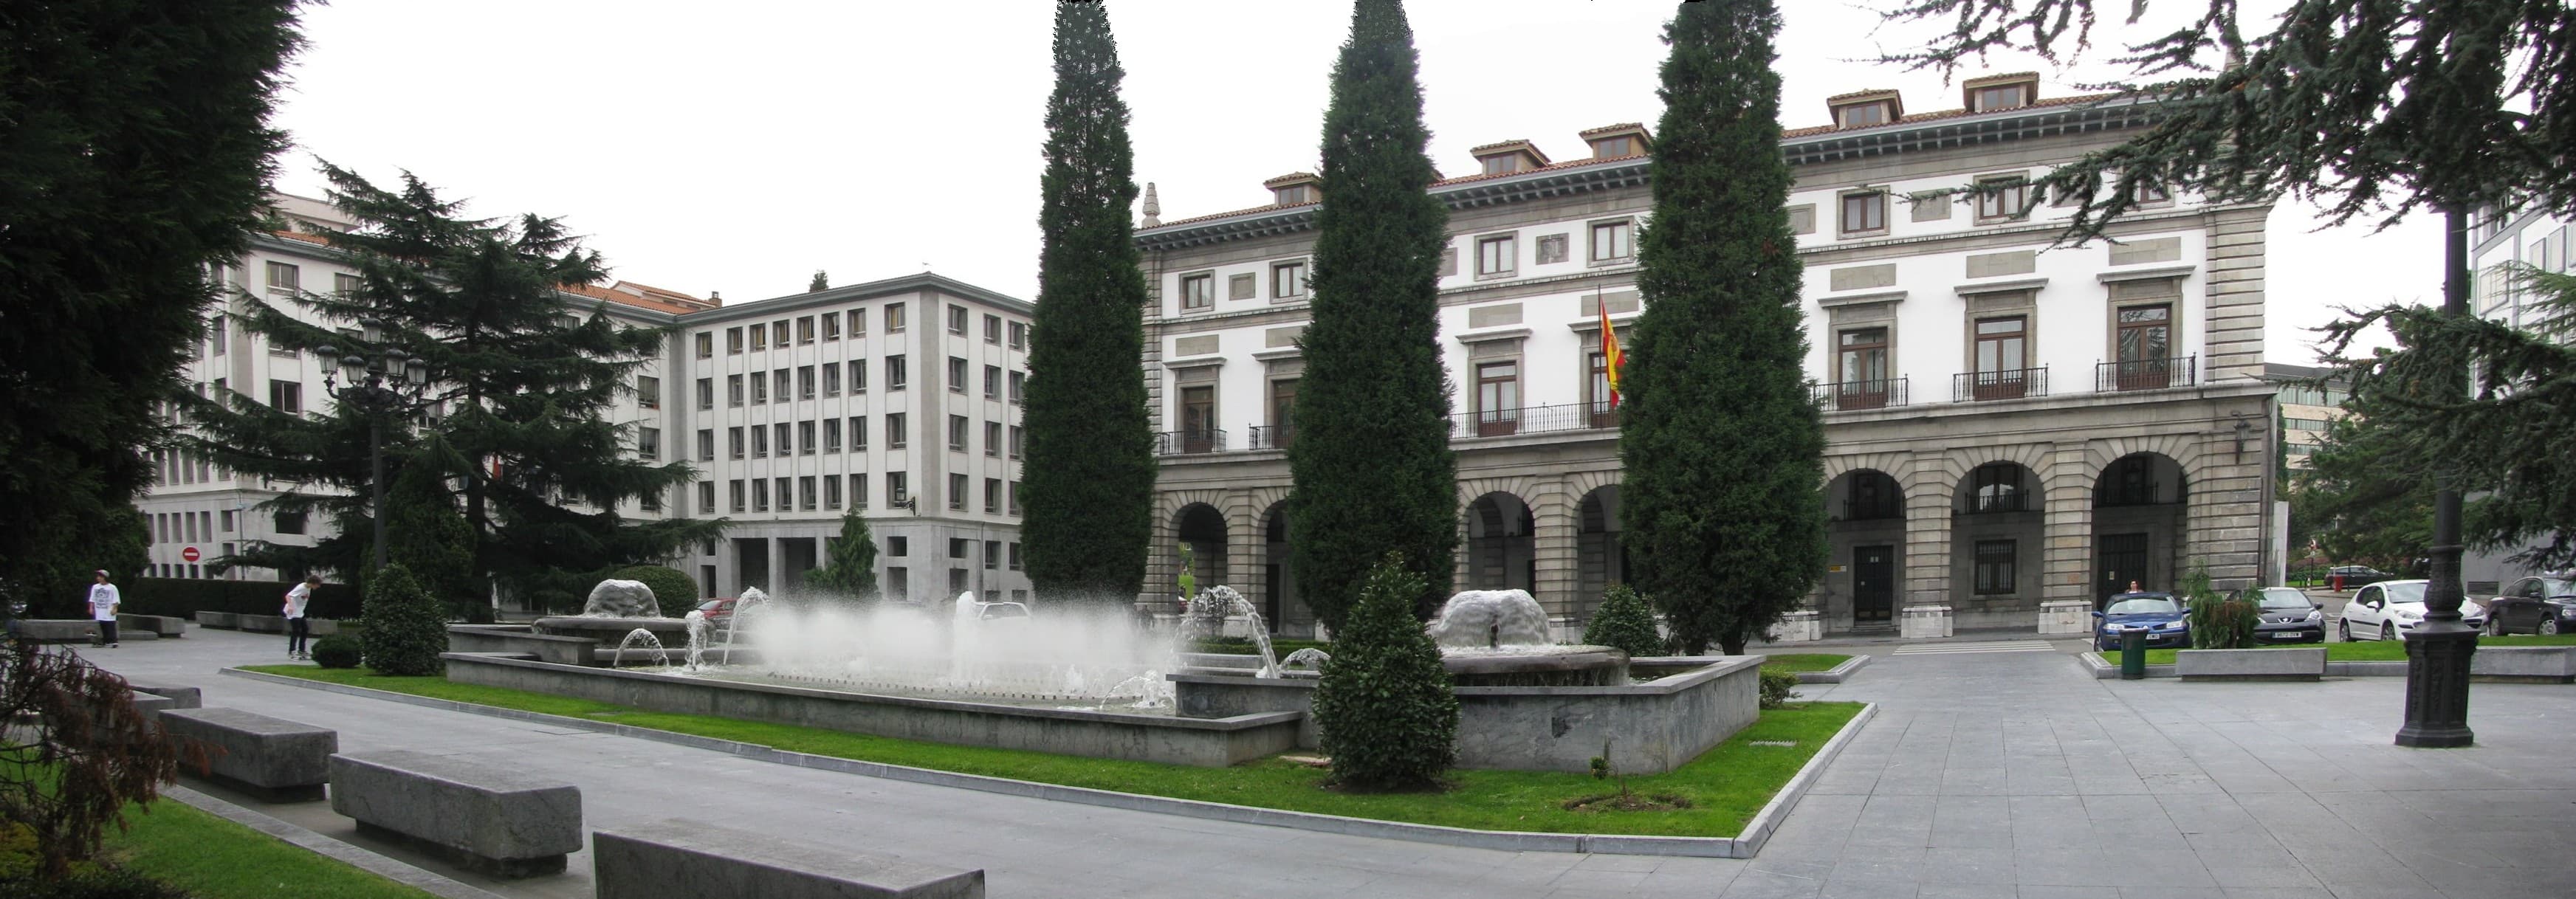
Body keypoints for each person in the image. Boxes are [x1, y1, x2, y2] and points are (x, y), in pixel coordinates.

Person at [284, 574, 319, 660]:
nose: (318, 587)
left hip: (300, 612)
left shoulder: (308, 588)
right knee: (296, 631)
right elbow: (288, 596)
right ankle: (292, 652)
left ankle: (301, 650)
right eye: (318, 585)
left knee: (305, 629)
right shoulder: (301, 588)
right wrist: (291, 606)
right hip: (293, 612)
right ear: (313, 583)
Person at [86, 570, 121, 647]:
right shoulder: (95, 587)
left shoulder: (112, 587)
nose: (98, 578)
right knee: (103, 625)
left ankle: (114, 640)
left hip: (109, 609)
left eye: (100, 577)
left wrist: (115, 608)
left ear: (105, 578)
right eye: (98, 577)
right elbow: (92, 598)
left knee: (110, 625)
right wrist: (91, 608)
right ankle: (106, 641)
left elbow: (116, 599)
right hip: (100, 609)